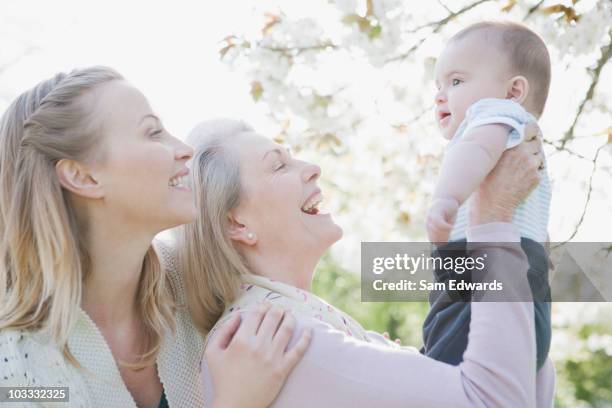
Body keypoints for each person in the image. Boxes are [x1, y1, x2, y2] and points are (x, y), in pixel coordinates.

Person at [181, 119, 555, 407]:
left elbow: (516, 381)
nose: (312, 167)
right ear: (237, 223)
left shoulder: (307, 325)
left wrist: (522, 248)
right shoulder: (272, 335)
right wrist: (494, 221)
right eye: (278, 166)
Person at [0, 67, 311, 408]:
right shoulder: (14, 369)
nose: (184, 150)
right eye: (153, 133)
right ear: (83, 176)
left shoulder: (200, 283)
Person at [424, 21, 552, 371]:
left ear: (513, 91)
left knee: (445, 358)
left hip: (485, 267)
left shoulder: (494, 115)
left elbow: (477, 149)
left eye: (456, 81)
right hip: (522, 269)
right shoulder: (518, 132)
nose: (440, 94)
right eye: (439, 85)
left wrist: (446, 199)